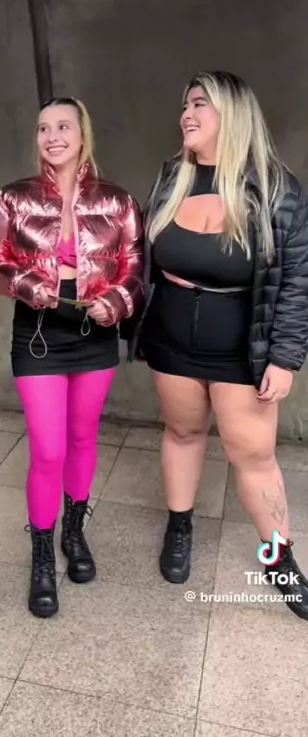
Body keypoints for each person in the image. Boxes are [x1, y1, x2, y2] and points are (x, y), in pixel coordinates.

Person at [124, 70, 308, 620]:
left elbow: (297, 281)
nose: (187, 114)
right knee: (182, 433)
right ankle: (180, 526)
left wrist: (285, 357)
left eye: (199, 104)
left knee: (253, 455)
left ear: (232, 114)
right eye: (185, 104)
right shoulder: (171, 177)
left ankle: (278, 560)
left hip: (242, 351)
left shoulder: (277, 190)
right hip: (171, 341)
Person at [0, 97, 143, 617]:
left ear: (82, 134)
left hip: (94, 331)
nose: (52, 136)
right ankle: (42, 554)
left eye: (63, 126)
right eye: (44, 128)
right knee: (48, 450)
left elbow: (135, 268)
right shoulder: (12, 198)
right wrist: (28, 285)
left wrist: (117, 301)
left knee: (81, 438)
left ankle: (74, 532)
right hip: (38, 332)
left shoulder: (118, 201)